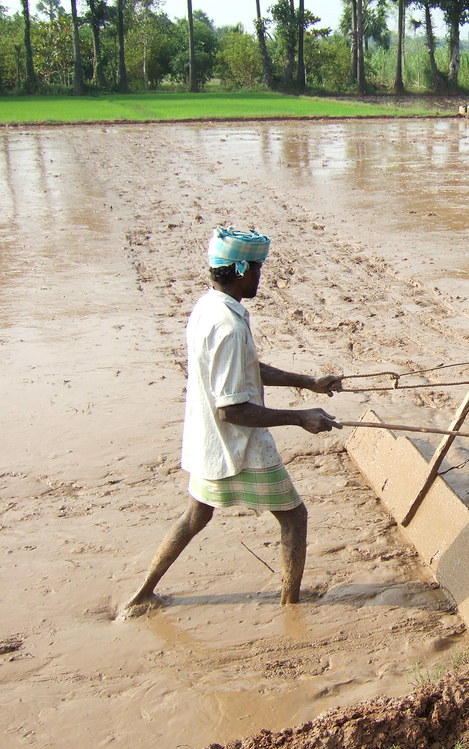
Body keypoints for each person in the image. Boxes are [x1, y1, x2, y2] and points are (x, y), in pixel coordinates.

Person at [122, 226, 343, 615]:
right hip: (237, 445)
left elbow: (246, 367)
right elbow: (232, 409)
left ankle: (142, 593)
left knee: (195, 515)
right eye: (257, 268)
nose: (260, 276)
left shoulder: (209, 307)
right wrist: (300, 418)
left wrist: (307, 382)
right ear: (242, 270)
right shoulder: (227, 325)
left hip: (209, 441)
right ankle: (291, 605)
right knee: (294, 516)